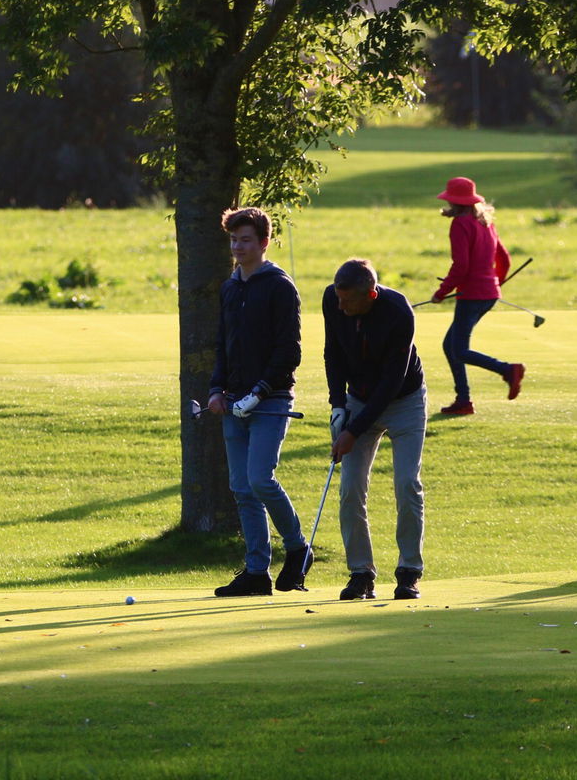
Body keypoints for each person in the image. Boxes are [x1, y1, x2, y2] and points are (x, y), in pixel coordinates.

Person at [206, 207, 311, 596]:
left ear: (264, 242)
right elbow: (223, 346)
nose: (238, 247)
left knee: (260, 480)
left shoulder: (279, 286)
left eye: (246, 240)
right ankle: (255, 571)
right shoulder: (230, 287)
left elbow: (289, 350)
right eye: (234, 240)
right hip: (233, 401)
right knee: (241, 487)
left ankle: (298, 548)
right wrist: (217, 389)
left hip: (271, 399)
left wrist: (260, 391)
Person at [323, 258, 427, 601]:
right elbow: (333, 354)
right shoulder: (333, 300)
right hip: (356, 400)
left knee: (407, 483)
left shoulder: (399, 312)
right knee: (350, 488)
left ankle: (409, 572)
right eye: (337, 298)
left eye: (348, 301)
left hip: (404, 400)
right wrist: (338, 407)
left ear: (371, 294)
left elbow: (391, 381)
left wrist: (353, 431)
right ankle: (361, 574)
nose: (340, 306)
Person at [431, 176, 525, 416]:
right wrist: (495, 282)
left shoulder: (460, 224)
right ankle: (463, 400)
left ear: (454, 201)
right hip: (487, 293)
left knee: (459, 349)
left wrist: (441, 293)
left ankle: (507, 370)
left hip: (472, 295)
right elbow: (503, 258)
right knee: (450, 345)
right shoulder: (485, 222)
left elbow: (461, 266)